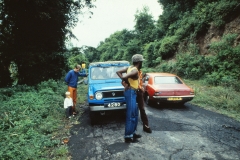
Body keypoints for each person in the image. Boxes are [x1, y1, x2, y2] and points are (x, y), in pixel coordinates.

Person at [116, 54, 144, 143]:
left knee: (135, 114)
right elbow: (123, 76)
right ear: (139, 62)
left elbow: (118, 72)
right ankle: (128, 136)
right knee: (131, 114)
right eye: (142, 62)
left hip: (133, 92)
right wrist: (126, 82)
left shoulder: (130, 67)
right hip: (131, 92)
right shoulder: (135, 71)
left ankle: (133, 132)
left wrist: (127, 82)